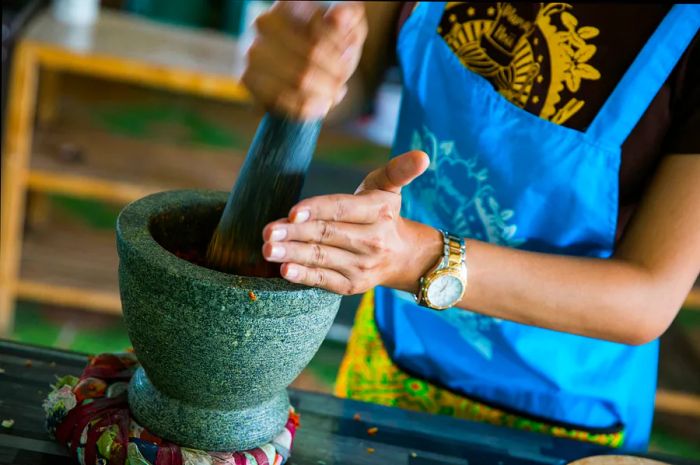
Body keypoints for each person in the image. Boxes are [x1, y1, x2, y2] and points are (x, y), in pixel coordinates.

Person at [243, 1, 700, 451]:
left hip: (558, 414)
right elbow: (355, 78)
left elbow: (648, 294)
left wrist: (419, 257)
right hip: (398, 347)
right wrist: (307, 72)